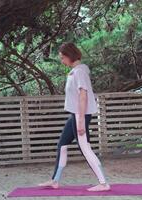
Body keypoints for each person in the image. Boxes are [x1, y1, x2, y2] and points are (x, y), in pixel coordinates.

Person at [38, 42, 110, 192]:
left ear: (70, 56)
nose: (62, 61)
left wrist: (81, 122)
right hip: (75, 115)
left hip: (80, 115)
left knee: (85, 149)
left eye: (62, 57)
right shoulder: (75, 71)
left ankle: (103, 183)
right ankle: (55, 180)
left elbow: (83, 97)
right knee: (62, 145)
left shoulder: (79, 72)